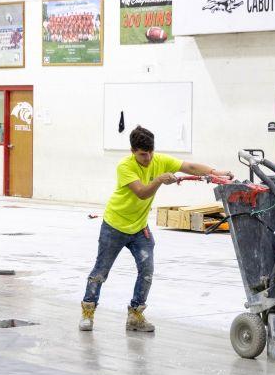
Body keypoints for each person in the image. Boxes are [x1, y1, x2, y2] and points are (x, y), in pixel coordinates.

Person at [80, 126, 233, 332]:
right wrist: (159, 179)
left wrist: (216, 173)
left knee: (147, 271)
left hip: (139, 229)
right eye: (143, 154)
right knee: (101, 271)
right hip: (114, 226)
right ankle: (88, 312)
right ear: (133, 151)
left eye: (151, 152)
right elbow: (142, 193)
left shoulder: (159, 160)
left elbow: (190, 167)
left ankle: (135, 315)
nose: (149, 157)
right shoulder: (125, 166)